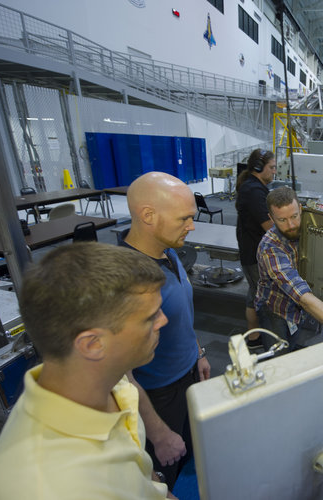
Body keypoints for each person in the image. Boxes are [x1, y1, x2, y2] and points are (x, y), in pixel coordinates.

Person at [0, 243, 174, 500]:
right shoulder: (47, 487)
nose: (164, 320)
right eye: (151, 317)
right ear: (93, 344)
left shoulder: (104, 379)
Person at [120, 172, 211, 490]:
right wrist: (157, 433)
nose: (192, 225)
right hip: (158, 397)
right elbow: (124, 378)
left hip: (187, 376)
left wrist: (197, 352)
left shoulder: (168, 251)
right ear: (148, 215)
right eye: (184, 218)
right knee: (164, 471)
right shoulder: (126, 282)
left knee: (189, 449)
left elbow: (182, 312)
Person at [255, 186, 323, 351]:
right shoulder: (270, 247)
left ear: (301, 209)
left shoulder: (306, 229)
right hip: (276, 312)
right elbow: (301, 294)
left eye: (294, 216)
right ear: (271, 218)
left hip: (298, 313)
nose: (291, 225)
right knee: (278, 360)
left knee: (292, 344)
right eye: (282, 220)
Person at [235, 148, 277, 345]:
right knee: (259, 294)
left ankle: (254, 336)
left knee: (254, 292)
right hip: (254, 254)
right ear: (259, 167)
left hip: (252, 251)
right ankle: (257, 336)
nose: (274, 171)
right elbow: (269, 226)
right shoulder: (253, 191)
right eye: (272, 167)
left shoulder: (254, 187)